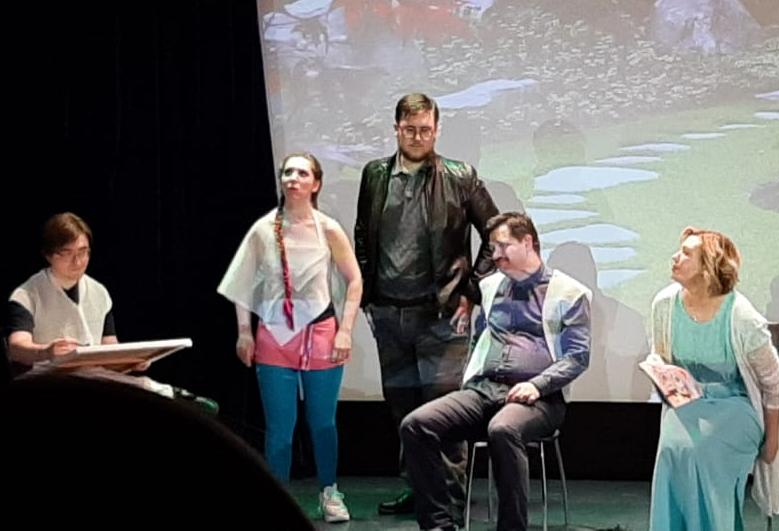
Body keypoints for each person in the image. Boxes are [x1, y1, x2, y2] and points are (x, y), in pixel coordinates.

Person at [354, 92, 499, 516]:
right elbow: (363, 234)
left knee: (444, 412)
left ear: (437, 130)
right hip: (389, 313)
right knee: (404, 410)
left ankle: (448, 503)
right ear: (396, 129)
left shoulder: (460, 176)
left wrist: (471, 291)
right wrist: (367, 295)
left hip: (442, 316)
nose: (418, 137)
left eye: (425, 130)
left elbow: (495, 232)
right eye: (410, 129)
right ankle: (419, 491)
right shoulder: (375, 174)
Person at [401, 212, 592, 531]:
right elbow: (481, 337)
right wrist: (472, 376)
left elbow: (577, 356)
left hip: (540, 398)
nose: (496, 255)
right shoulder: (490, 286)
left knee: (503, 429)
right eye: (492, 248)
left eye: (503, 246)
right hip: (485, 389)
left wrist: (537, 385)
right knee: (417, 425)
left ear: (528, 242)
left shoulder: (568, 292)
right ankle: (438, 525)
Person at [218, 152, 362, 523]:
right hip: (274, 335)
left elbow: (354, 280)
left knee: (323, 422)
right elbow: (241, 283)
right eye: (287, 172)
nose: (293, 178)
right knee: (280, 429)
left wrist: (345, 331)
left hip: (320, 333)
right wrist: (244, 332)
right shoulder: (263, 229)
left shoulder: (328, 228)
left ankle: (329, 491)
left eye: (302, 173)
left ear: (316, 183)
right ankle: (276, 496)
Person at [5, 212, 216, 412]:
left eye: (83, 252)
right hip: (45, 382)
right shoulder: (27, 294)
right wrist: (47, 351)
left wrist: (130, 361)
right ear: (49, 255)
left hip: (92, 378)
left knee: (113, 387)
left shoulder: (99, 292)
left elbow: (108, 349)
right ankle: (169, 395)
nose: (77, 261)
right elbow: (17, 347)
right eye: (67, 253)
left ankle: (169, 397)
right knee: (122, 386)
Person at [648, 227, 779, 530]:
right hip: (687, 403)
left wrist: (773, 441)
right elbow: (659, 355)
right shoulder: (664, 305)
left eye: (686, 253)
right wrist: (661, 374)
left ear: (708, 267)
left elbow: (773, 384)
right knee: (672, 451)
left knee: (702, 451)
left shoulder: (742, 316)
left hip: (736, 405)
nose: (675, 257)